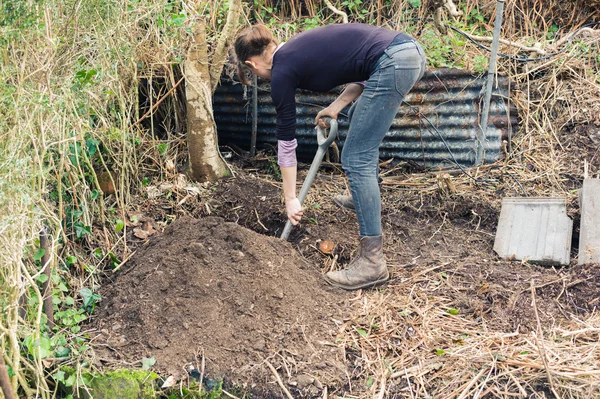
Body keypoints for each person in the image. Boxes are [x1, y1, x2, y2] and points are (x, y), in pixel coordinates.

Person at [234, 23, 426, 290]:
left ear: (251, 65)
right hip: (407, 52)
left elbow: (287, 139)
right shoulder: (294, 51)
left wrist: (290, 198)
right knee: (361, 133)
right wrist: (336, 107)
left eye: (254, 75)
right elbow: (364, 68)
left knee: (357, 156)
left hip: (394, 60)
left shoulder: (282, 71)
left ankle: (372, 262)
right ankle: (363, 195)